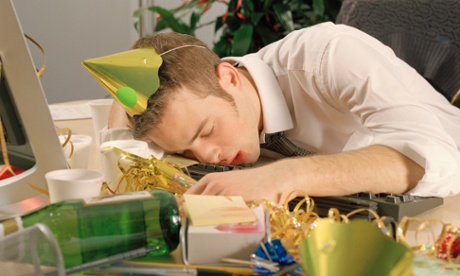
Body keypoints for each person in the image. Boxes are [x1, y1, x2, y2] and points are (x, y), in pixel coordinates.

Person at [106, 22, 460, 203]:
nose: (207, 155)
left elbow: (431, 159)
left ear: (229, 77)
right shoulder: (203, 105)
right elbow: (125, 126)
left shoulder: (329, 55)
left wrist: (286, 176)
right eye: (185, 150)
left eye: (207, 130)